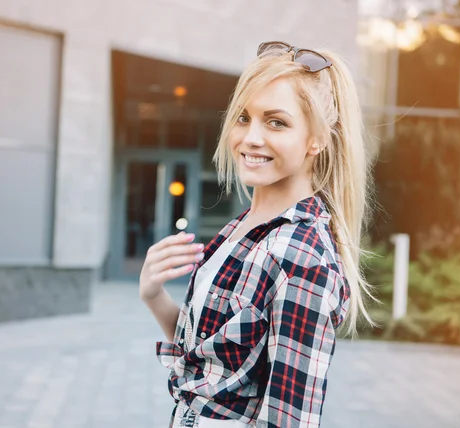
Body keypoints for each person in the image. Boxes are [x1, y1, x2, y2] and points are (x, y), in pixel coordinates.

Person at [139, 41, 375, 427]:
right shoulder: (241, 229)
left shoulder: (303, 257)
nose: (250, 137)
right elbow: (209, 358)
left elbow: (289, 420)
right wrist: (153, 295)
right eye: (244, 117)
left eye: (276, 122)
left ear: (316, 139)